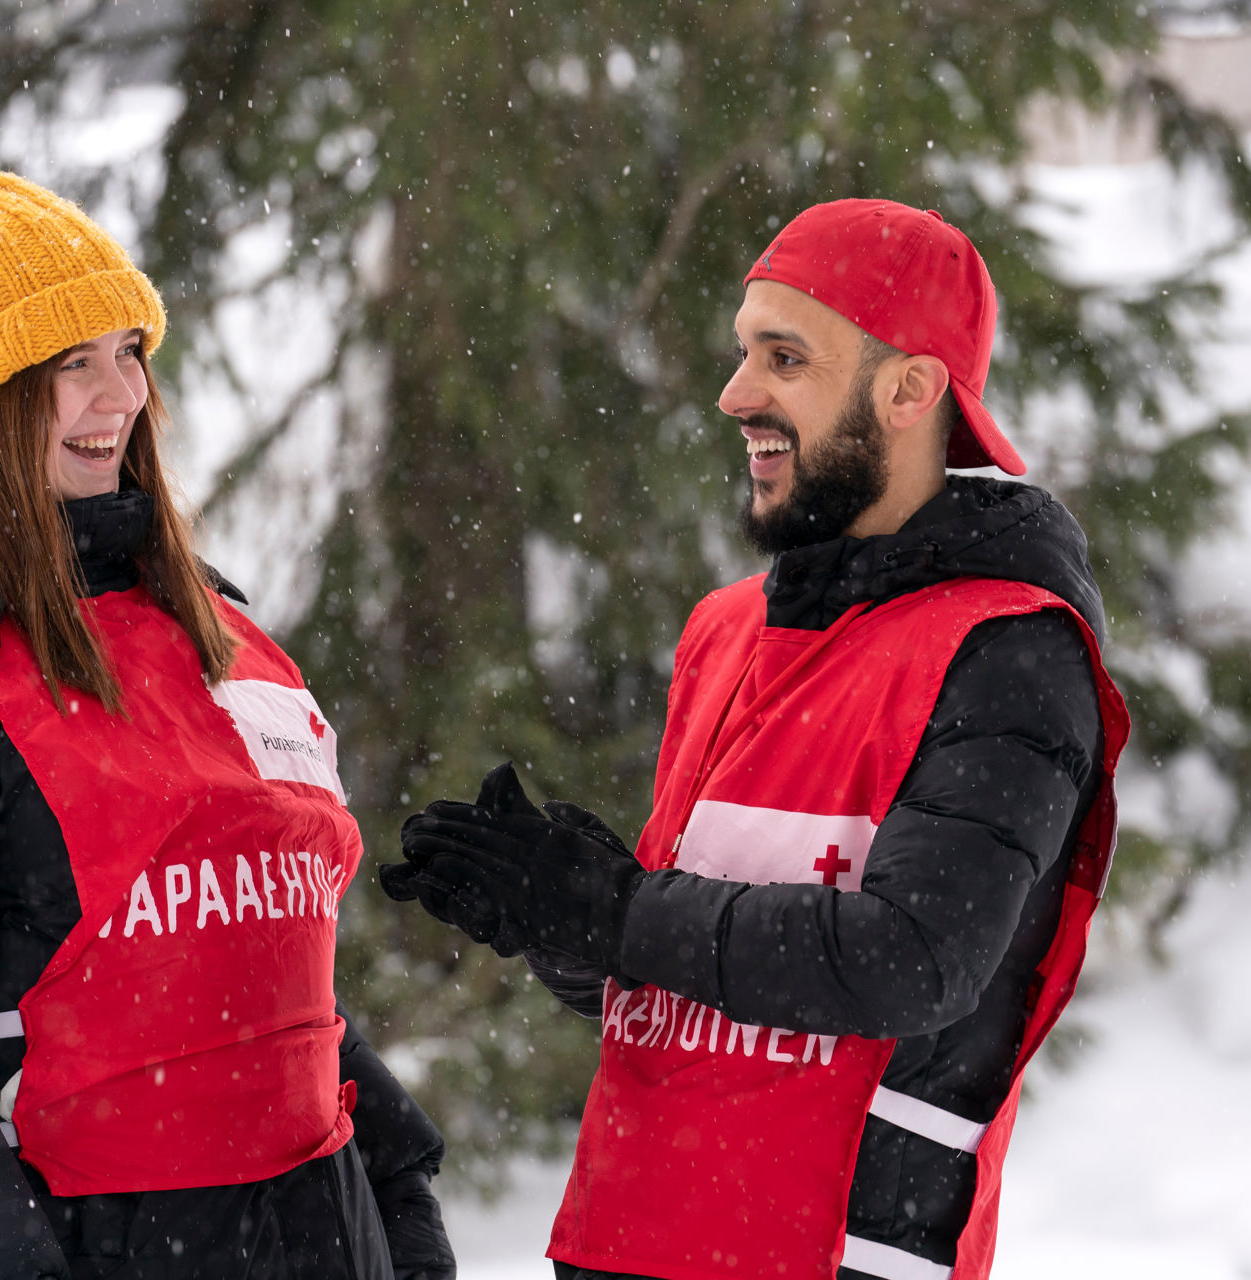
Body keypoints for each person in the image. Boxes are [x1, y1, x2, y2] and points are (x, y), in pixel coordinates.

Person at [381, 199, 1129, 1280]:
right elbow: (687, 987)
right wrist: (559, 913)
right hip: (629, 1241)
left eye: (785, 356)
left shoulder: (1008, 647)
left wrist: (619, 909)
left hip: (830, 1255)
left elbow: (911, 959)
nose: (737, 394)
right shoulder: (730, 630)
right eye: (743, 352)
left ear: (910, 388)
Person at [0, 171, 454, 1280]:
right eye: (69, 363)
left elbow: (265, 967)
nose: (115, 395)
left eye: (128, 351)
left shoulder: (204, 624)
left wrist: (398, 1200)